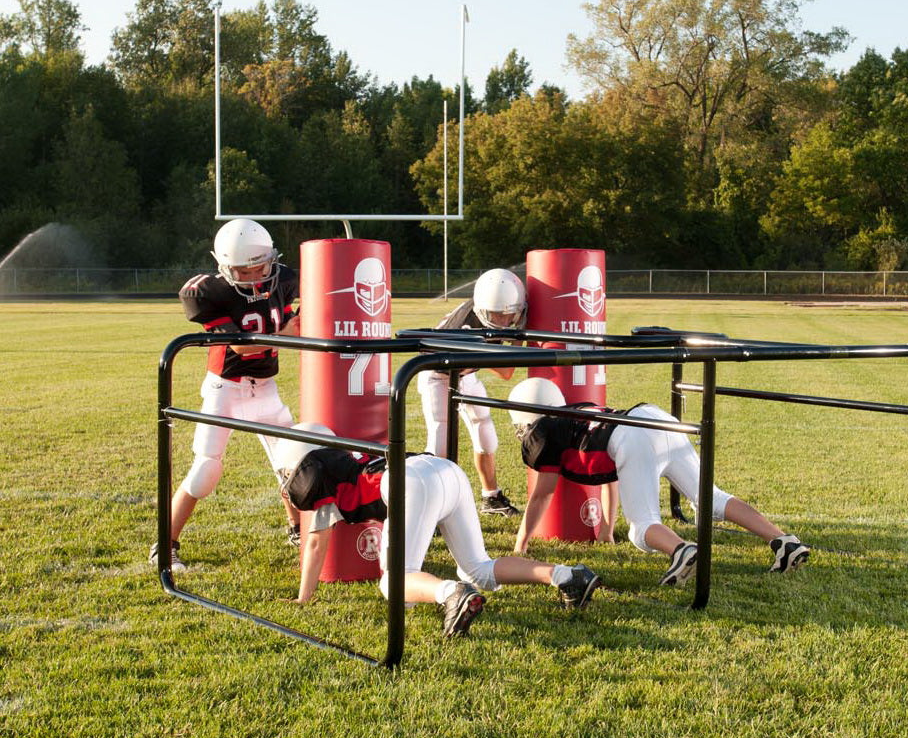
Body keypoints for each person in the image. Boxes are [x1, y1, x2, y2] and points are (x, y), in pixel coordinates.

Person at [274, 423, 601, 635]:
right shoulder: (345, 459)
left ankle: (451, 594)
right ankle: (567, 576)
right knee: (477, 568)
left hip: (411, 482)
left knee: (394, 582)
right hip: (444, 470)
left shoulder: (318, 476)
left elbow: (316, 544)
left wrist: (304, 598)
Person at [507, 378, 809, 584]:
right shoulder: (578, 412)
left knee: (641, 527)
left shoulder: (544, 431)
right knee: (711, 498)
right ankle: (783, 541)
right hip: (652, 417)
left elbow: (542, 493)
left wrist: (521, 544)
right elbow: (608, 477)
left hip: (632, 436)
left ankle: (680, 550)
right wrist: (606, 533)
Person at [150, 218, 302, 572]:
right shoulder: (209, 293)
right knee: (205, 470)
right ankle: (165, 542)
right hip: (226, 390)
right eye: (241, 271)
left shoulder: (285, 280)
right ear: (224, 267)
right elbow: (240, 346)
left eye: (259, 267)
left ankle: (297, 528)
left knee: (294, 465)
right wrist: (285, 331)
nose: (253, 277)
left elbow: (299, 316)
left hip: (266, 389)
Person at [417, 267, 527, 516]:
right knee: (440, 447)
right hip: (438, 374)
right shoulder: (471, 331)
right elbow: (506, 371)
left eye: (508, 314)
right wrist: (519, 338)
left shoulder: (493, 298)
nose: (502, 320)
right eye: (495, 315)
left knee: (486, 433)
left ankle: (491, 498)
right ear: (482, 309)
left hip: (465, 372)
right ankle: (429, 509)